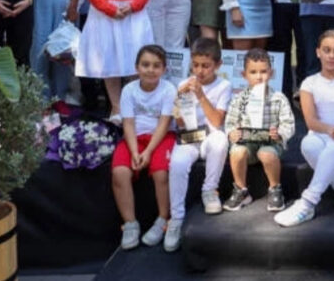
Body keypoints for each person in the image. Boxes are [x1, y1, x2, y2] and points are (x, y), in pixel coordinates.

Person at [274, 31, 334, 227]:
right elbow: (311, 122)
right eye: (327, 50)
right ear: (318, 53)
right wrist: (329, 129)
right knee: (307, 143)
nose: (332, 55)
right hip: (320, 138)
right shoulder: (309, 83)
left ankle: (307, 202)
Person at [164, 37, 232, 252]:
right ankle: (176, 217)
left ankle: (210, 190)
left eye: (206, 66)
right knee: (177, 163)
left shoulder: (224, 85)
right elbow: (180, 123)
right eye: (196, 65)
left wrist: (201, 96)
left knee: (220, 140)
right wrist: (180, 102)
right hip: (190, 138)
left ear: (218, 65)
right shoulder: (183, 85)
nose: (200, 71)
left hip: (211, 136)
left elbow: (217, 121)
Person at [112, 45, 177, 250]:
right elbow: (128, 123)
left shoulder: (168, 89)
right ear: (137, 67)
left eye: (156, 66)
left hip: (161, 137)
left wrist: (148, 152)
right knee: (120, 172)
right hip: (134, 139)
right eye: (146, 65)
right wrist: (134, 151)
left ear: (164, 69)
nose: (150, 70)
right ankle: (130, 223)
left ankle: (162, 219)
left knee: (161, 173)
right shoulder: (128, 90)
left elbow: (164, 123)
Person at [222, 49, 295, 212]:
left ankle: (275, 189)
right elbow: (230, 122)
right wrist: (231, 133)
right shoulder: (239, 99)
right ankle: (241, 190)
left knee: (266, 153)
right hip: (247, 144)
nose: (259, 76)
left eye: (263, 71)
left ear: (271, 73)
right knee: (236, 152)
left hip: (271, 144)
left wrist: (280, 133)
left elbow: (288, 123)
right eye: (253, 72)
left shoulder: (279, 98)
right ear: (244, 74)